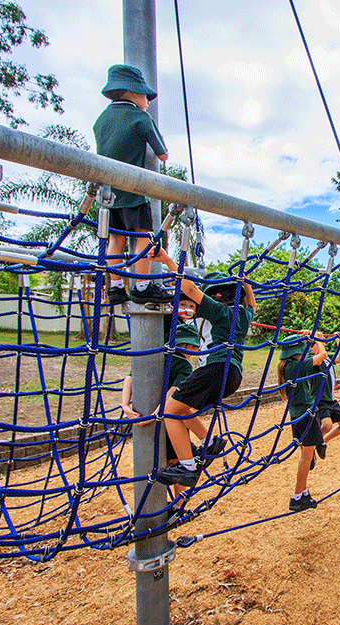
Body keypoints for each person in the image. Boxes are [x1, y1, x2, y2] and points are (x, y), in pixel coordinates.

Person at [149, 248, 256, 487]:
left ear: (216, 296)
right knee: (182, 408)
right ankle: (210, 442)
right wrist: (246, 283)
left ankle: (188, 467)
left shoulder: (218, 311)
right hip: (233, 376)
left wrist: (168, 261)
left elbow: (189, 290)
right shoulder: (244, 315)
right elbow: (252, 305)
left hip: (215, 368)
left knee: (168, 411)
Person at [94, 64, 172, 306]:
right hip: (133, 189)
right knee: (144, 235)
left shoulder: (101, 120)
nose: (147, 101)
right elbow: (162, 154)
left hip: (108, 191)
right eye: (145, 96)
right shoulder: (141, 117)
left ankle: (115, 287)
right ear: (132, 92)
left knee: (115, 239)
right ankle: (142, 285)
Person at [120, 320, 201, 503]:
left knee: (155, 463)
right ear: (188, 346)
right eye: (194, 348)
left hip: (143, 415)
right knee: (180, 465)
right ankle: (178, 505)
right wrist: (153, 416)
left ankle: (158, 504)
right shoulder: (184, 365)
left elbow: (130, 377)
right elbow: (171, 397)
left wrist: (125, 405)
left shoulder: (155, 355)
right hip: (168, 421)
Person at [278, 334, 328, 512]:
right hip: (306, 415)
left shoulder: (289, 365)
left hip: (298, 415)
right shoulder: (295, 366)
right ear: (294, 352)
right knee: (306, 458)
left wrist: (307, 339)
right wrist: (319, 340)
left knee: (306, 456)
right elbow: (322, 356)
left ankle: (304, 491)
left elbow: (313, 357)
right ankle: (297, 497)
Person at [314, 333, 340, 460]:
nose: (324, 340)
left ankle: (322, 442)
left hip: (331, 399)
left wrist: (338, 341)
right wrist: (316, 338)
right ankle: (312, 446)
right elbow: (320, 355)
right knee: (327, 425)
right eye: (322, 339)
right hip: (320, 400)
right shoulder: (314, 358)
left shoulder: (327, 357)